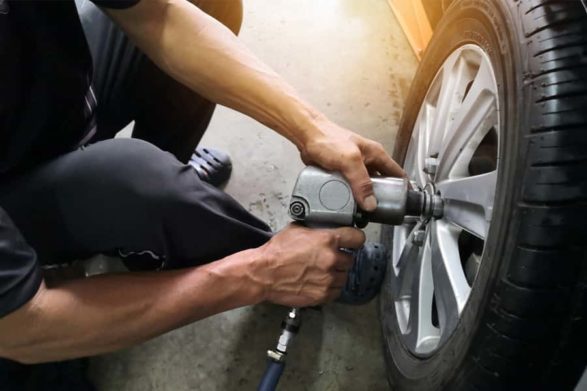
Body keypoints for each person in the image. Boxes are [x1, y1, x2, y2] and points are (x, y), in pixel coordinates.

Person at [0, 0, 403, 387]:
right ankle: (284, 264)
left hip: (46, 98)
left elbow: (157, 14)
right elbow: (23, 326)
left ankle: (158, 209)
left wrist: (312, 127)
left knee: (208, 2)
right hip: (12, 203)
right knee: (134, 179)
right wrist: (259, 273)